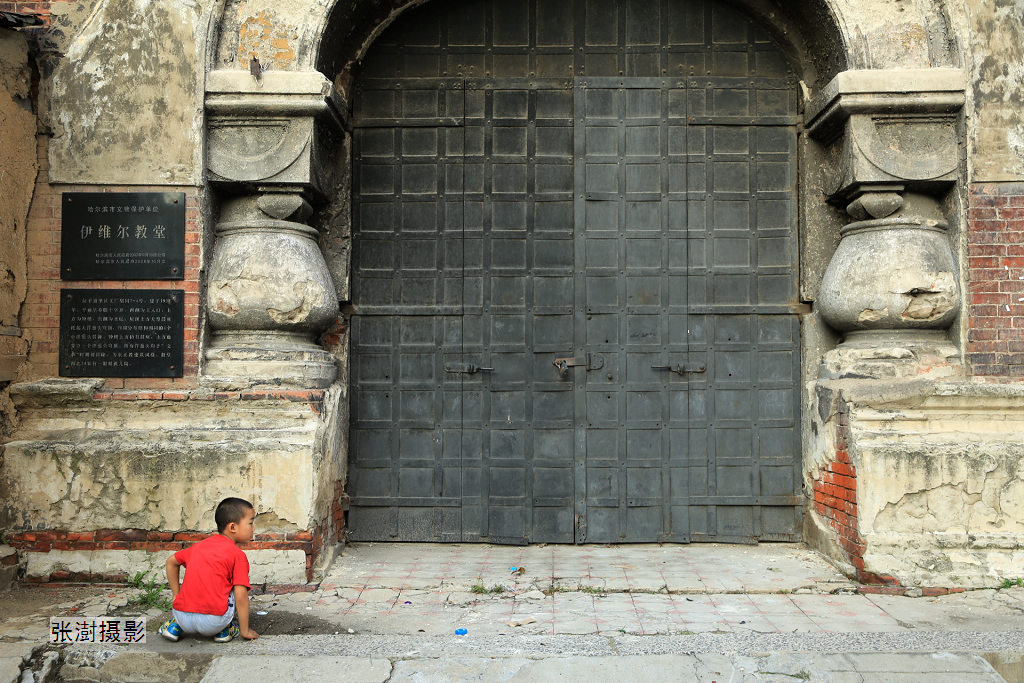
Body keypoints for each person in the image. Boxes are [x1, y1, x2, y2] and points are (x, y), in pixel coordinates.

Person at [158, 497, 260, 642]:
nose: (253, 528)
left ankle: (175, 627)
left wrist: (176, 595)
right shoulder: (237, 555)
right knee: (233, 586)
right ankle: (224, 629)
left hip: (181, 616)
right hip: (213, 622)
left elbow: (171, 562)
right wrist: (245, 630)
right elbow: (241, 596)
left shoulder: (198, 547)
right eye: (250, 523)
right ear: (232, 527)